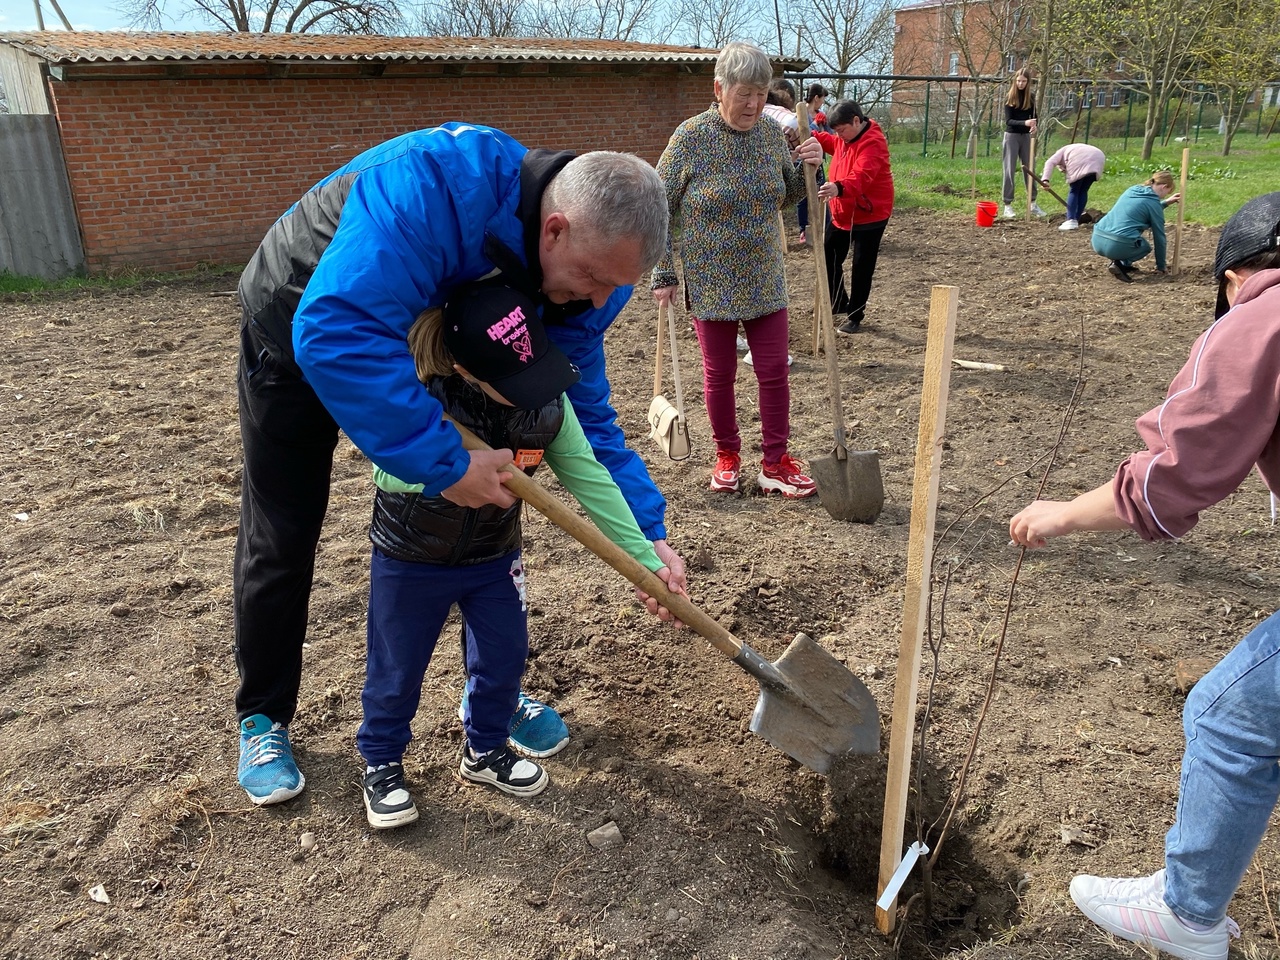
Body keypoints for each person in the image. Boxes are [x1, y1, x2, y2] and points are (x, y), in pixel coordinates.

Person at [233, 125, 688, 806]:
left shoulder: (595, 277)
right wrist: (444, 461)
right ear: (556, 231)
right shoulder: (437, 185)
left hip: (439, 346)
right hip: (301, 324)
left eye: (614, 288)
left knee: (485, 556)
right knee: (285, 529)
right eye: (593, 281)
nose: (599, 302)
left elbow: (583, 417)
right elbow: (335, 333)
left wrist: (646, 540)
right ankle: (263, 717)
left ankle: (493, 698)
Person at [1009, 191, 1280, 960]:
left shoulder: (1259, 320)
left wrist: (1060, 513)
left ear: (1233, 278)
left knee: (1231, 715)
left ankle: (1188, 914)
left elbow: (1174, 474)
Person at [359, 282, 676, 829]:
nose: (535, 390)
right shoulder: (426, 398)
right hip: (412, 555)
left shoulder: (548, 405)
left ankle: (484, 750)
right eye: (518, 382)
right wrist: (452, 469)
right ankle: (382, 762)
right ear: (467, 371)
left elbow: (591, 475)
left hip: (492, 554)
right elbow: (385, 470)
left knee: (504, 655)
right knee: (397, 666)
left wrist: (644, 559)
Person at [652, 41, 824, 499]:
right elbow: (659, 206)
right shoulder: (690, 138)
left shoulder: (770, 135)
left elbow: (786, 197)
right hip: (711, 281)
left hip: (765, 276)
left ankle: (775, 462)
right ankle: (727, 455)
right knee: (720, 374)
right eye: (744, 92)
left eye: (761, 93)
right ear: (719, 88)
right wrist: (664, 271)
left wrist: (807, 165)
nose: (753, 104)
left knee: (773, 371)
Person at [814, 100, 895, 334]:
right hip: (842, 212)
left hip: (870, 214)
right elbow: (834, 144)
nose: (839, 135)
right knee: (828, 254)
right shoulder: (845, 137)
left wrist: (838, 188)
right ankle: (838, 303)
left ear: (857, 121)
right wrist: (811, 135)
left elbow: (862, 176)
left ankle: (855, 315)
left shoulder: (874, 143)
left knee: (862, 265)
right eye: (836, 131)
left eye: (842, 130)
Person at [1090, 170, 1181, 283]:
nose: (1164, 196)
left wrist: (1166, 202)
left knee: (1125, 237)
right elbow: (1160, 238)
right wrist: (1161, 267)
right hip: (1117, 244)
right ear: (1164, 186)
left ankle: (1120, 263)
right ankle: (1120, 264)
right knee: (1144, 247)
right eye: (1167, 192)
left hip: (1097, 238)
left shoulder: (1133, 190)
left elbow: (1142, 208)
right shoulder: (1153, 203)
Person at [1001, 67, 1045, 219]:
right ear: (1015, 81)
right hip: (1011, 136)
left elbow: (1035, 117)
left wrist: (1033, 125)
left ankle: (1032, 203)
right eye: (1018, 81)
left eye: (1024, 81)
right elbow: (1009, 121)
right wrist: (1025, 122)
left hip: (1026, 137)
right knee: (1009, 170)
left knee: (1030, 168)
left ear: (1028, 82)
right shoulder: (1009, 98)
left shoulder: (1031, 98)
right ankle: (1007, 205)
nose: (1021, 84)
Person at [1039, 141, 1105, 231]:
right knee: (1083, 190)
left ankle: (1070, 220)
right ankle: (1076, 220)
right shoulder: (1072, 148)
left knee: (1074, 190)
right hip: (1098, 157)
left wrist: (1045, 180)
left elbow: (1049, 162)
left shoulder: (1060, 153)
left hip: (1080, 159)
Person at [797, 83, 830, 246]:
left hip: (818, 160)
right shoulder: (800, 113)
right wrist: (815, 125)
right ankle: (803, 229)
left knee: (822, 191)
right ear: (816, 98)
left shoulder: (822, 115)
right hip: (802, 159)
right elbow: (801, 133)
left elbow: (830, 137)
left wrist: (824, 127)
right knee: (802, 195)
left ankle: (825, 227)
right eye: (822, 98)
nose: (823, 102)